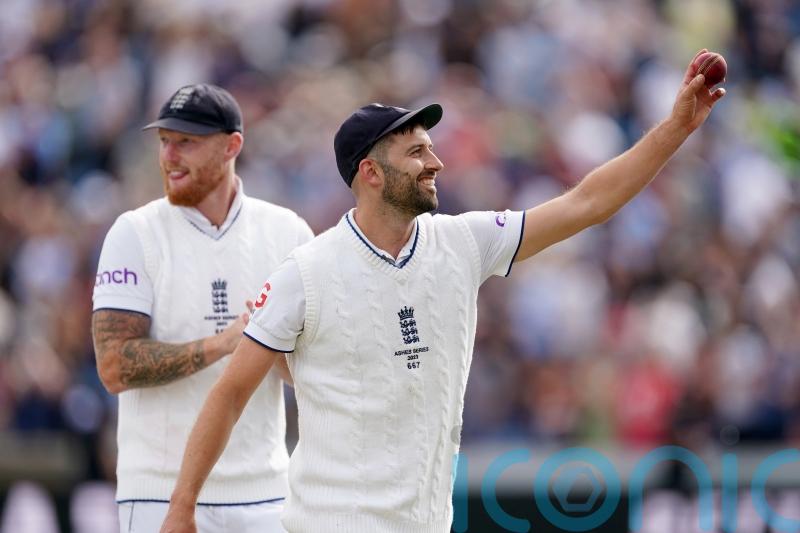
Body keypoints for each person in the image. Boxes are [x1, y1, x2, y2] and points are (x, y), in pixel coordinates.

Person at [160, 52, 725, 533]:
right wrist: (181, 510)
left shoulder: (463, 241)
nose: (437, 162)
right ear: (370, 174)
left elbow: (588, 203)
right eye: (417, 153)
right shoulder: (306, 272)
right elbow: (231, 392)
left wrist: (676, 126)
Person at [91, 83, 313, 532]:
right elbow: (114, 366)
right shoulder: (134, 233)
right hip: (158, 490)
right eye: (164, 141)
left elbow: (312, 370)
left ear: (233, 145)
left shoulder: (287, 232)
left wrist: (272, 345)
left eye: (186, 142)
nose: (169, 156)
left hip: (267, 491)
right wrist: (226, 343)